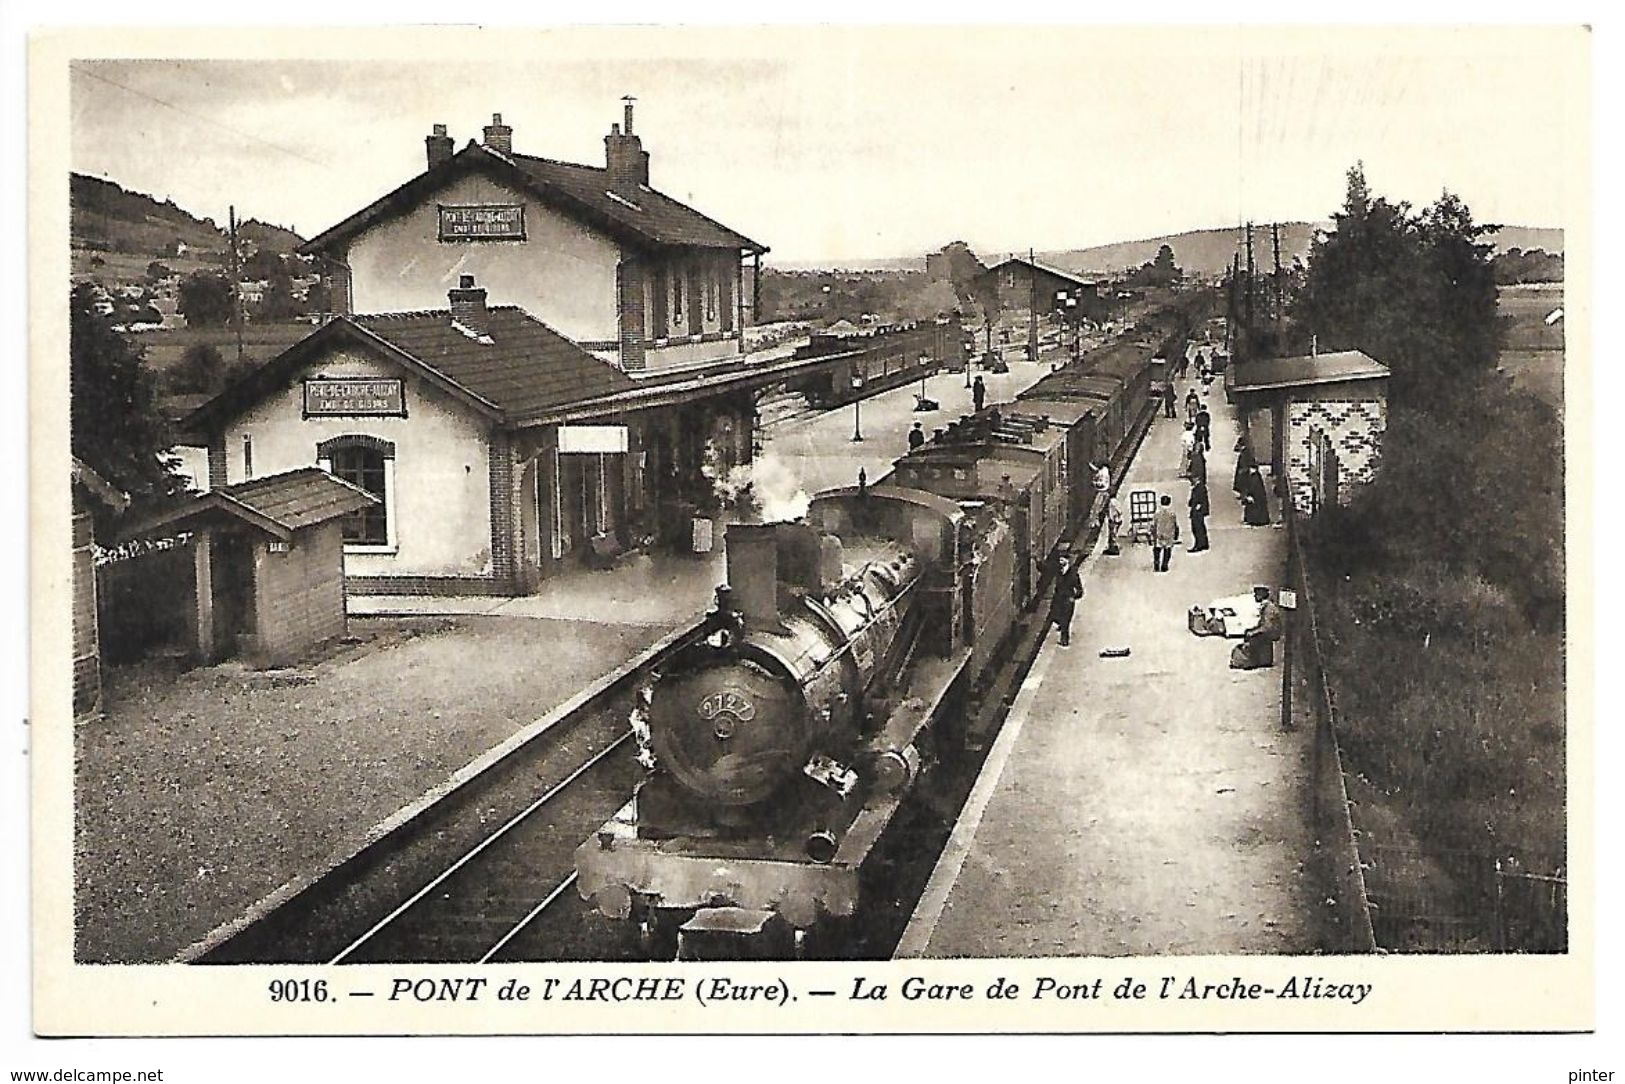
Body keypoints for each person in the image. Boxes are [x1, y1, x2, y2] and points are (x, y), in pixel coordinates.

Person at [1231, 586, 1284, 669]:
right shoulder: (1268, 606)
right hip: (1271, 631)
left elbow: (1267, 627)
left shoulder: (1268, 609)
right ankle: (1262, 659)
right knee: (1250, 633)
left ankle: (1255, 660)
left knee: (1252, 637)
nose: (1255, 596)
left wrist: (1253, 632)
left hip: (1271, 632)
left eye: (1257, 594)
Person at [1048, 554, 1084, 647]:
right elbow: (1045, 570)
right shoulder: (1058, 571)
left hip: (1067, 601)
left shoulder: (1073, 574)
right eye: (1060, 560)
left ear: (1067, 561)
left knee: (1065, 621)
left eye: (1062, 560)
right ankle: (1061, 626)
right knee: (1055, 617)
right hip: (1058, 600)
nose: (1060, 562)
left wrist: (1073, 597)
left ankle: (1065, 640)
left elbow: (1080, 590)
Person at [1152, 494, 1179, 572]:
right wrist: (1176, 535)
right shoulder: (1172, 514)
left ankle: (1156, 564)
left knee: (1157, 549)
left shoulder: (1157, 513)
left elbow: (1154, 525)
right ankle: (1164, 565)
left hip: (1159, 534)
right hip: (1169, 534)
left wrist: (1153, 534)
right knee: (1167, 550)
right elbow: (1175, 525)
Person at [1188, 480, 1210, 552]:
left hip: (1198, 511)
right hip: (1198, 510)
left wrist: (1198, 506)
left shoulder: (1200, 488)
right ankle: (1204, 543)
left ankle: (1199, 544)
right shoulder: (1198, 487)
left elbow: (1201, 499)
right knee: (1200, 527)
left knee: (1197, 528)